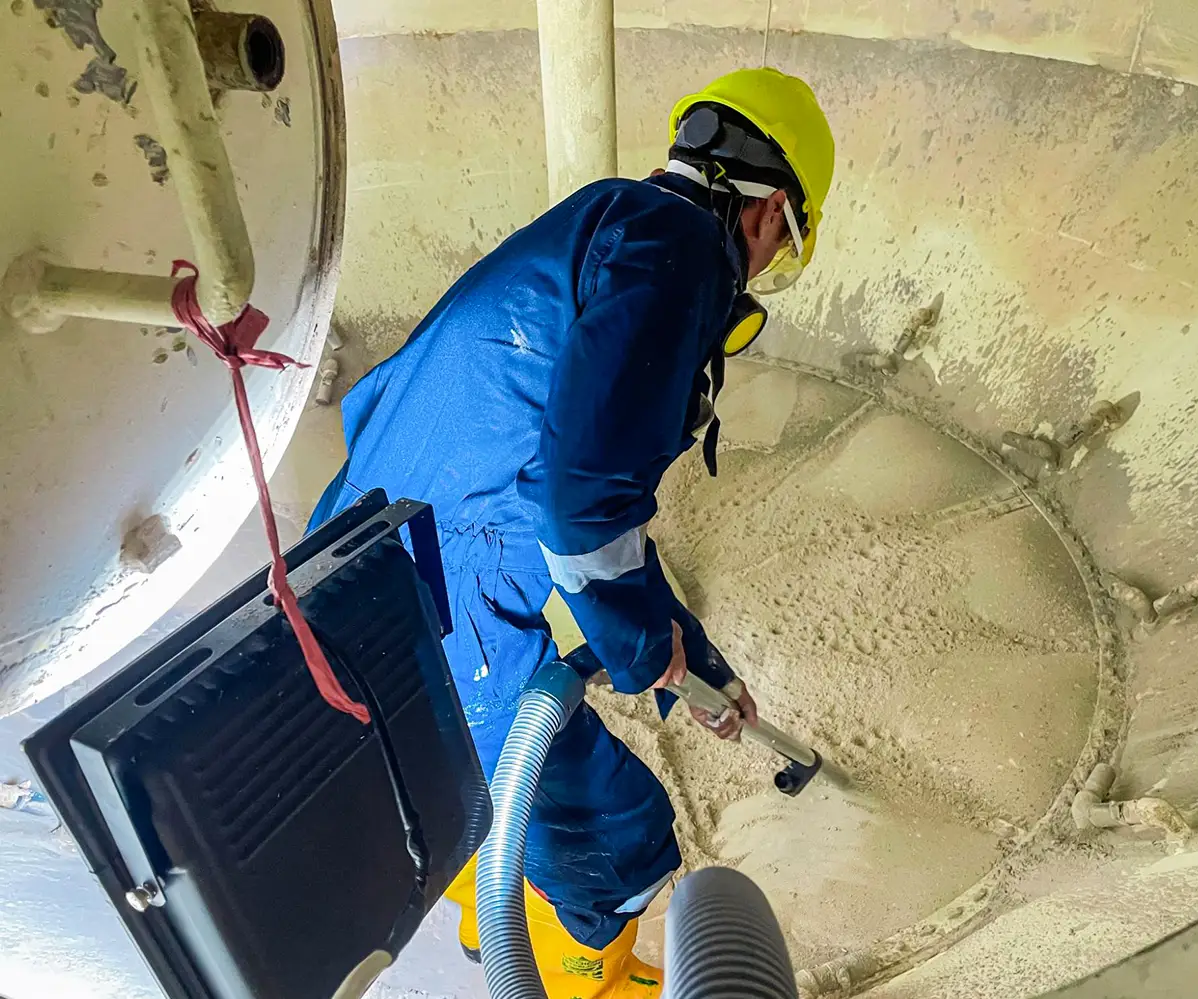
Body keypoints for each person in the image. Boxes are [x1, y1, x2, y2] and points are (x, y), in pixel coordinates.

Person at [308, 67, 834, 999]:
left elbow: (594, 496)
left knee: (493, 777)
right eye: (783, 249)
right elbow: (575, 505)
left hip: (370, 533)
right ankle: (568, 972)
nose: (764, 269)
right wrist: (642, 652)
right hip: (434, 589)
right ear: (770, 212)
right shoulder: (682, 258)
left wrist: (695, 666)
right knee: (622, 840)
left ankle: (491, 901)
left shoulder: (615, 218)